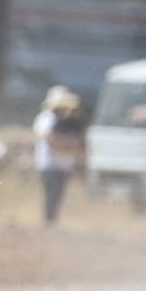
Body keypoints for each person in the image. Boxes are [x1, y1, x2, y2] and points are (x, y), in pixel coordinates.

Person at [34, 87, 83, 225]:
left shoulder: (66, 120)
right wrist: (67, 146)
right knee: (51, 195)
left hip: (63, 165)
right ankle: (48, 222)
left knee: (58, 195)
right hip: (49, 164)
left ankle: (52, 221)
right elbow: (48, 136)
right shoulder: (46, 118)